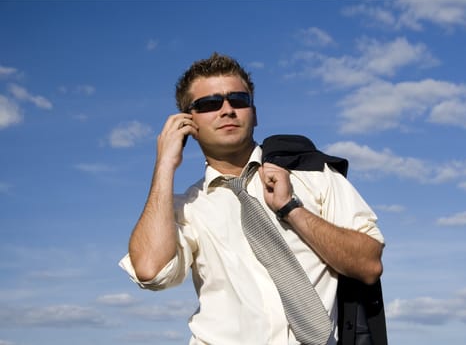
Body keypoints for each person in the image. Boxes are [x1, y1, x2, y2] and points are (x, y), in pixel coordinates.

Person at [119, 52, 385, 345]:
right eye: (209, 104)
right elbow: (149, 271)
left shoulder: (312, 173)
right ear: (188, 124)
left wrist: (291, 209)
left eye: (238, 100)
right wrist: (164, 165)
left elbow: (368, 265)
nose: (227, 110)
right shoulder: (186, 208)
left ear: (254, 114)